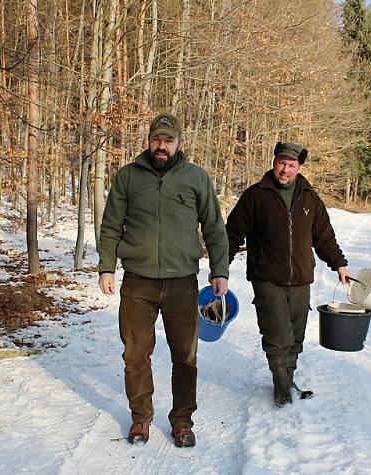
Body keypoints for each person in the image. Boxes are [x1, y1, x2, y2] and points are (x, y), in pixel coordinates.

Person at [97, 113, 229, 448]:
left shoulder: (196, 178)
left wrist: (220, 271)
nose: (161, 145)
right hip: (138, 283)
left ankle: (182, 421)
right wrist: (106, 267)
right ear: (148, 140)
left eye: (168, 140)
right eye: (157, 139)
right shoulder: (128, 177)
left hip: (183, 283)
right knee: (135, 353)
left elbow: (214, 228)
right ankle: (140, 417)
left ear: (179, 143)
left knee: (185, 355)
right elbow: (111, 225)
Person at [226, 141, 351, 407]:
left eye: (291, 165)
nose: (285, 170)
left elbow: (324, 236)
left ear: (299, 167)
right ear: (274, 163)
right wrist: (219, 269)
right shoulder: (256, 195)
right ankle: (281, 384)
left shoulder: (309, 197)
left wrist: (339, 263)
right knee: (277, 333)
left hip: (301, 278)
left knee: (295, 334)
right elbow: (232, 233)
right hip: (267, 276)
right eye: (282, 163)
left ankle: (288, 375)